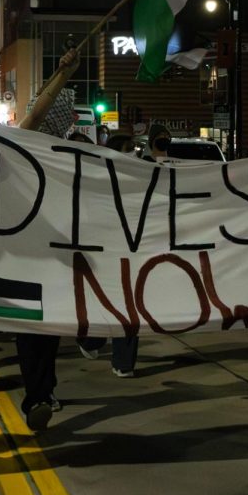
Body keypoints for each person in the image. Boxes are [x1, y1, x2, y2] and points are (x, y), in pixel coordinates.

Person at [13, 48, 82, 429]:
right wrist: (62, 74)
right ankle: (38, 395)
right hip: (28, 254)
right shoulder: (21, 144)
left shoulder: (71, 155)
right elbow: (37, 115)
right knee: (33, 329)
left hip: (53, 255)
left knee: (46, 329)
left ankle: (43, 390)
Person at [76, 128, 141, 377]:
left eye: (135, 149)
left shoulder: (142, 178)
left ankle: (123, 363)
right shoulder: (97, 181)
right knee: (105, 303)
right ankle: (91, 339)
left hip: (133, 251)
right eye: (129, 149)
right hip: (104, 253)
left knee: (130, 305)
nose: (135, 153)